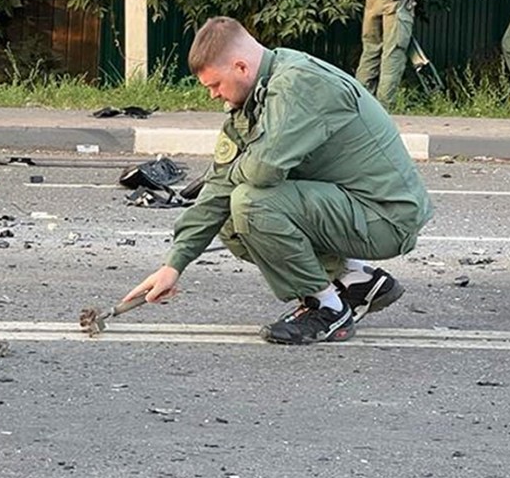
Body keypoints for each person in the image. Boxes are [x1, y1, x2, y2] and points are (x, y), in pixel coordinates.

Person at [123, 17, 433, 344]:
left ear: (241, 67)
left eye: (215, 85)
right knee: (229, 213)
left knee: (250, 202)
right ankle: (355, 280)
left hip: (386, 217)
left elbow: (261, 171)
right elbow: (217, 187)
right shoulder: (255, 97)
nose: (213, 95)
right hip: (353, 206)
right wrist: (174, 265)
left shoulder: (298, 85)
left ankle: (326, 309)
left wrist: (232, 174)